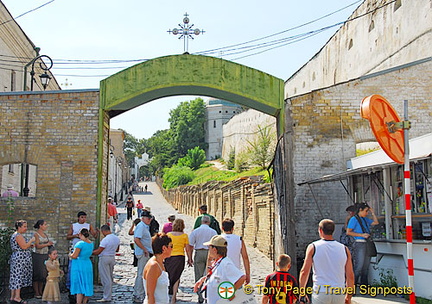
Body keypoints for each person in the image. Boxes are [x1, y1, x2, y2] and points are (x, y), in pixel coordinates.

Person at [299, 219, 354, 304]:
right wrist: (349, 296)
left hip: (321, 291)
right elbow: (350, 275)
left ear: (320, 230)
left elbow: (304, 272)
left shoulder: (313, 247)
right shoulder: (344, 249)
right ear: (333, 231)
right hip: (339, 291)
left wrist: (302, 292)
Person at [194, 235, 246, 304]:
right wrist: (203, 279)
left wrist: (230, 293)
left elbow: (242, 277)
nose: (208, 250)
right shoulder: (217, 262)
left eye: (209, 247)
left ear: (214, 250)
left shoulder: (226, 263)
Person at [346, 203, 379, 286]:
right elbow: (348, 232)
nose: (367, 213)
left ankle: (364, 285)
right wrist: (361, 235)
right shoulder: (354, 219)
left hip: (367, 243)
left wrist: (373, 212)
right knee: (359, 266)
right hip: (359, 243)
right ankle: (352, 286)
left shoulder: (364, 219)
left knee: (366, 266)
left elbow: (375, 222)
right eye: (366, 211)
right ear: (360, 210)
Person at [66, 211, 98, 293]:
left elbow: (94, 235)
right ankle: (70, 286)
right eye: (82, 217)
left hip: (84, 250)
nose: (83, 219)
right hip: (75, 247)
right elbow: (68, 236)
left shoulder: (88, 226)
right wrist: (75, 235)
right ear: (78, 218)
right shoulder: (74, 226)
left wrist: (97, 233)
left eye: (85, 217)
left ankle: (82, 287)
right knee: (72, 269)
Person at [188, 215, 217, 303]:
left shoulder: (196, 231)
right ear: (209, 222)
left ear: (201, 222)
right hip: (210, 253)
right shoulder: (213, 232)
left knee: (199, 275)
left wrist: (189, 258)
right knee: (209, 275)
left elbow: (190, 245)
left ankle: (200, 297)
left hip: (199, 252)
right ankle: (208, 295)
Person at [165, 219, 193, 304]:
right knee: (177, 276)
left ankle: (167, 294)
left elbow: (166, 247)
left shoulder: (169, 235)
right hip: (180, 257)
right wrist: (190, 259)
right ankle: (173, 297)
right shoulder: (184, 236)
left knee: (168, 275)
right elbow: (187, 249)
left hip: (169, 257)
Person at [9, 220, 35, 304]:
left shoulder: (17, 235)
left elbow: (23, 245)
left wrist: (29, 245)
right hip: (19, 259)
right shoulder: (18, 235)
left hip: (19, 258)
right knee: (18, 276)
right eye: (24, 226)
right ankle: (17, 297)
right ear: (19, 227)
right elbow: (23, 246)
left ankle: (13, 297)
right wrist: (31, 241)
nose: (26, 228)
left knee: (15, 276)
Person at [93, 225, 121, 302]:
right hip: (112, 257)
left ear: (104, 231)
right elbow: (117, 250)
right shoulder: (116, 238)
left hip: (104, 257)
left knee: (105, 278)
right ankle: (109, 294)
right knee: (110, 276)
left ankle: (106, 296)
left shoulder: (105, 240)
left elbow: (99, 251)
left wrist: (90, 252)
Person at [143, 233, 173, 304]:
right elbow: (150, 294)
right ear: (164, 248)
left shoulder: (160, 263)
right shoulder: (153, 266)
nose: (172, 249)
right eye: (171, 246)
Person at [133, 210, 154, 302]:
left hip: (146, 252)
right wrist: (145, 249)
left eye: (150, 218)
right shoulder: (141, 226)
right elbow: (136, 239)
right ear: (143, 218)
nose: (149, 220)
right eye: (148, 218)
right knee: (141, 274)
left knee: (144, 273)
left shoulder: (145, 226)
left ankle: (140, 293)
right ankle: (138, 294)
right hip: (143, 253)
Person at [221, 218, 251, 284]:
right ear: (233, 228)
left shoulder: (218, 239)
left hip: (221, 271)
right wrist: (247, 274)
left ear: (222, 228)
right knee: (236, 292)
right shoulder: (239, 239)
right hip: (235, 272)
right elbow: (245, 257)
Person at [69, 228, 94, 304]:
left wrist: (70, 254)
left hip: (79, 265)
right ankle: (85, 301)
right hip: (87, 263)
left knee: (79, 285)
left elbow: (75, 256)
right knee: (87, 283)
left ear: (80, 234)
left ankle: (78, 302)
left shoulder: (80, 244)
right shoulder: (91, 243)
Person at [32, 219, 54, 299]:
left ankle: (41, 291)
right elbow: (37, 245)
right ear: (40, 226)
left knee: (43, 274)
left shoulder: (45, 234)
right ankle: (36, 292)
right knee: (37, 274)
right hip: (38, 255)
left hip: (45, 255)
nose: (46, 226)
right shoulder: (36, 234)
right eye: (45, 224)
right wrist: (47, 244)